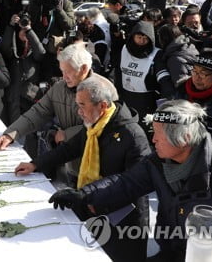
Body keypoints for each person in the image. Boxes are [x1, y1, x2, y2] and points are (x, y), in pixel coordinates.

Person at [49, 99, 212, 262]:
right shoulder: (162, 161)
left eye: (158, 134)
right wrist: (83, 195)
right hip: (173, 252)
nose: (153, 139)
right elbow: (127, 182)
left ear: (184, 139)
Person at [15, 76, 151, 261]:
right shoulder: (94, 125)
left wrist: (88, 196)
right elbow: (70, 148)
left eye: (82, 105)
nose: (79, 112)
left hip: (124, 220)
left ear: (102, 106)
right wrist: (36, 164)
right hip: (95, 204)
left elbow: (131, 182)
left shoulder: (133, 136)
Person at [0, 43, 118, 185]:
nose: (64, 76)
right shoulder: (59, 88)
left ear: (84, 69)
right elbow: (38, 112)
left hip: (98, 167)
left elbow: (106, 126)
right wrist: (11, 133)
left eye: (68, 71)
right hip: (70, 161)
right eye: (62, 71)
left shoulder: (104, 89)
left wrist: (67, 134)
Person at [114, 21, 175, 132]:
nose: (141, 41)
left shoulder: (156, 54)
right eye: (139, 37)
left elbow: (163, 76)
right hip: (126, 97)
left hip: (146, 101)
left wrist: (168, 97)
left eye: (145, 39)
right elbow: (118, 72)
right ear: (133, 37)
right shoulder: (124, 50)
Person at [1, 12, 45, 124]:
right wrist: (11, 25)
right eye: (22, 28)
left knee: (30, 129)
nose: (24, 32)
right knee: (13, 128)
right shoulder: (13, 48)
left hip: (29, 95)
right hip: (14, 96)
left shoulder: (33, 48)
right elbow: (5, 48)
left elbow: (40, 53)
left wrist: (29, 30)